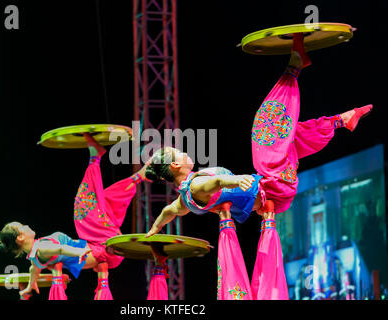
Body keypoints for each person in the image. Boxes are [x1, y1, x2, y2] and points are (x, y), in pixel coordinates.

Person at [144, 33, 372, 299]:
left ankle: (342, 120)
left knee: (288, 135)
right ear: (174, 165)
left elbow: (168, 211)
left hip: (274, 191)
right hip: (271, 184)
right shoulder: (195, 185)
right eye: (181, 153)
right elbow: (215, 183)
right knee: (265, 128)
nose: (186, 154)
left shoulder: (185, 199)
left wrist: (153, 231)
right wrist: (234, 180)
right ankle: (293, 67)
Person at [0, 133, 150, 300]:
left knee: (102, 200)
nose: (27, 226)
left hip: (96, 245)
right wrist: (78, 252)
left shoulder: (34, 255)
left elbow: (33, 270)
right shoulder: (42, 249)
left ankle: (138, 175)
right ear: (20, 237)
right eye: (23, 227)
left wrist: (29, 287)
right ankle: (95, 157)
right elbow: (61, 249)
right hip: (98, 249)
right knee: (84, 203)